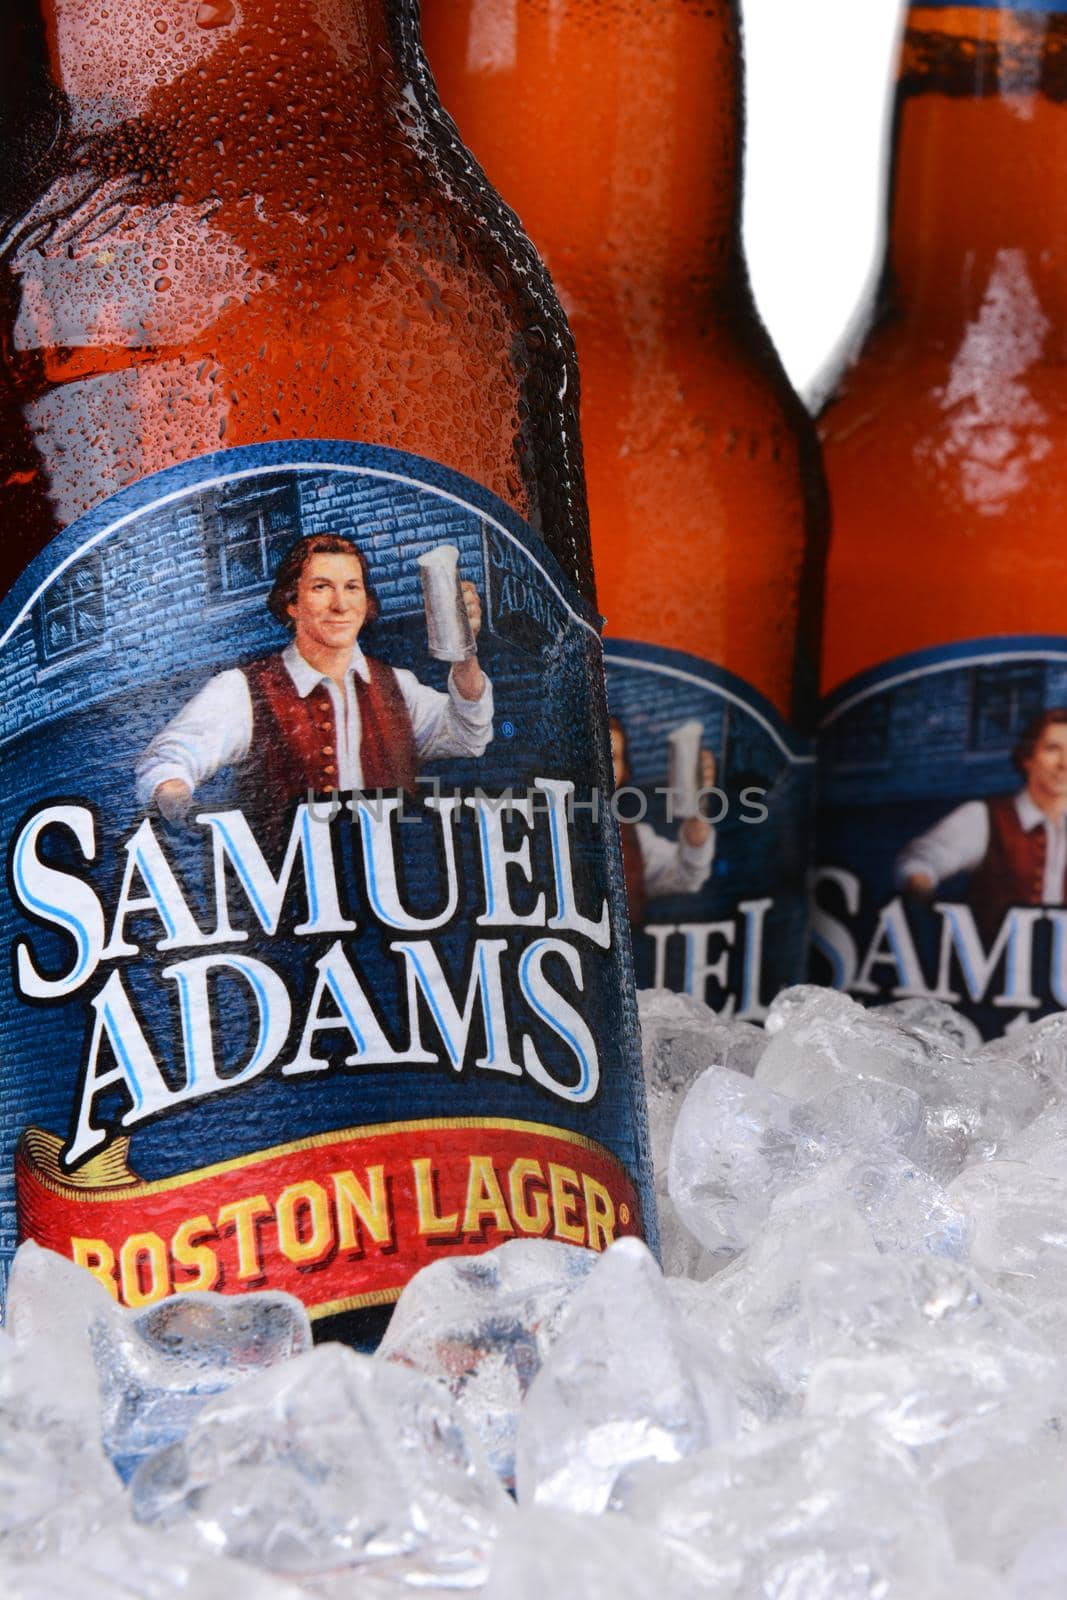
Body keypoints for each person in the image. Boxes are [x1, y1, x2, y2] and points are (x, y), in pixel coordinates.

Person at [136, 533, 493, 834]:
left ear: (366, 602)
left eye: (351, 587)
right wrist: (196, 822)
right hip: (292, 905)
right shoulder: (245, 690)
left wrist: (465, 651)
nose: (340, 604)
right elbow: (164, 764)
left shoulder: (398, 686)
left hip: (400, 900)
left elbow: (469, 734)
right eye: (322, 587)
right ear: (292, 603)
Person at [897, 708, 1067, 931]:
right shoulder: (985, 817)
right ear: (1028, 758)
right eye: (1052, 749)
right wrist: (922, 891)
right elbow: (920, 860)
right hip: (991, 962)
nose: (1064, 763)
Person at [609, 717, 716, 925]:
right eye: (588, 755)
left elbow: (688, 875)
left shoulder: (636, 840)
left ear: (624, 772)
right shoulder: (537, 828)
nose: (599, 765)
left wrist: (697, 812)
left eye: (611, 757)